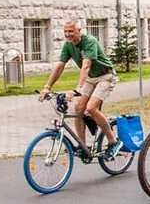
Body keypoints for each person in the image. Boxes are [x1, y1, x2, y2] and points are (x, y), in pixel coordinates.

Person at [38, 19, 120, 159]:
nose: (68, 34)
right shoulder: (68, 45)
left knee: (91, 108)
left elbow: (86, 66)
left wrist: (78, 89)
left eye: (71, 31)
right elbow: (59, 66)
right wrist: (47, 87)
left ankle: (113, 141)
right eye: (65, 31)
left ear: (78, 31)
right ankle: (83, 146)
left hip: (106, 76)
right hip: (91, 78)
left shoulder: (89, 41)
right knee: (78, 108)